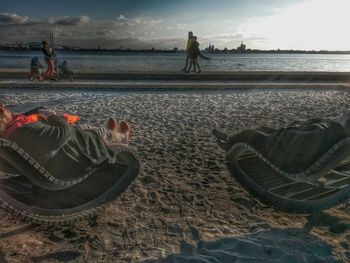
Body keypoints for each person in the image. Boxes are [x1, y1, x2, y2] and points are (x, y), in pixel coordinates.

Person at [0, 104, 131, 178]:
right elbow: (62, 133)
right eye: (4, 107)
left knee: (85, 128)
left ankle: (112, 134)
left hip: (51, 156)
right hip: (73, 154)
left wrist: (36, 112)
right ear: (1, 110)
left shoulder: (9, 135)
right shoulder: (24, 131)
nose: (8, 109)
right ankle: (121, 137)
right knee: (91, 131)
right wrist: (52, 116)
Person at [213, 112, 350, 173]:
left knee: (250, 134)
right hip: (301, 156)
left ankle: (229, 143)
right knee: (263, 128)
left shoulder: (324, 134)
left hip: (283, 155)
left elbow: (295, 141)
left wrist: (283, 132)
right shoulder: (335, 135)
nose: (341, 114)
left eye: (344, 114)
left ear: (345, 122)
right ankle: (229, 140)